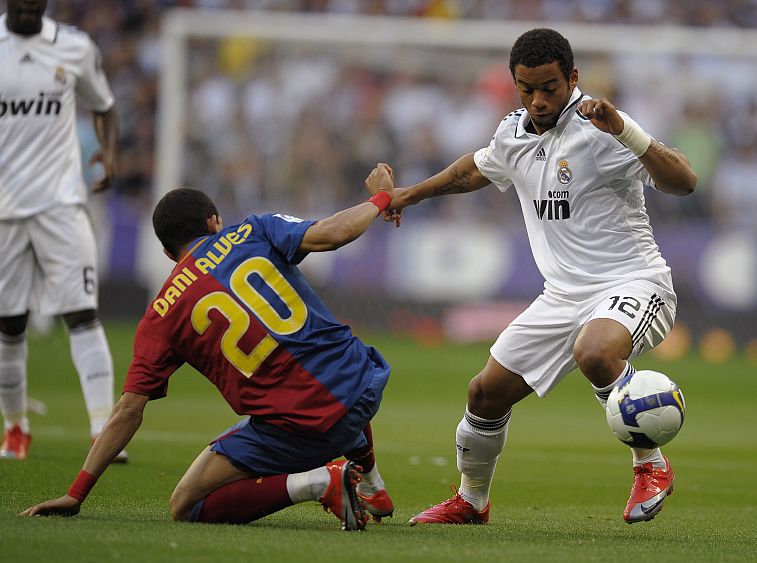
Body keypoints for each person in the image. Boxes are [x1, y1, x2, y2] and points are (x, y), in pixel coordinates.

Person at [386, 28, 697, 525]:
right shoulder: (513, 133)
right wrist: (408, 194)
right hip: (563, 297)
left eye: (549, 87)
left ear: (572, 78)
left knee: (595, 352)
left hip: (634, 282)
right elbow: (475, 169)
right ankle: (471, 501)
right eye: (525, 88)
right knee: (483, 394)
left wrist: (627, 132)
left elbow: (684, 181)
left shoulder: (602, 127)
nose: (537, 100)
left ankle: (650, 465)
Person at [21, 166, 397, 531]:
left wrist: (76, 493)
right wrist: (382, 197)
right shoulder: (254, 230)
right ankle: (371, 482)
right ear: (215, 221)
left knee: (184, 504)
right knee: (327, 359)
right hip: (362, 384)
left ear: (169, 254)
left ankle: (319, 482)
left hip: (303, 428)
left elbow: (128, 411)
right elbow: (333, 234)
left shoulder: (161, 314)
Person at [0, 0, 122, 461]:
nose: (30, 5)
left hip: (62, 204)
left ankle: (101, 431)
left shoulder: (73, 47)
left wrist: (109, 154)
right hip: (4, 211)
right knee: (8, 326)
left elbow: (105, 105)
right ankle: (15, 429)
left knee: (82, 313)